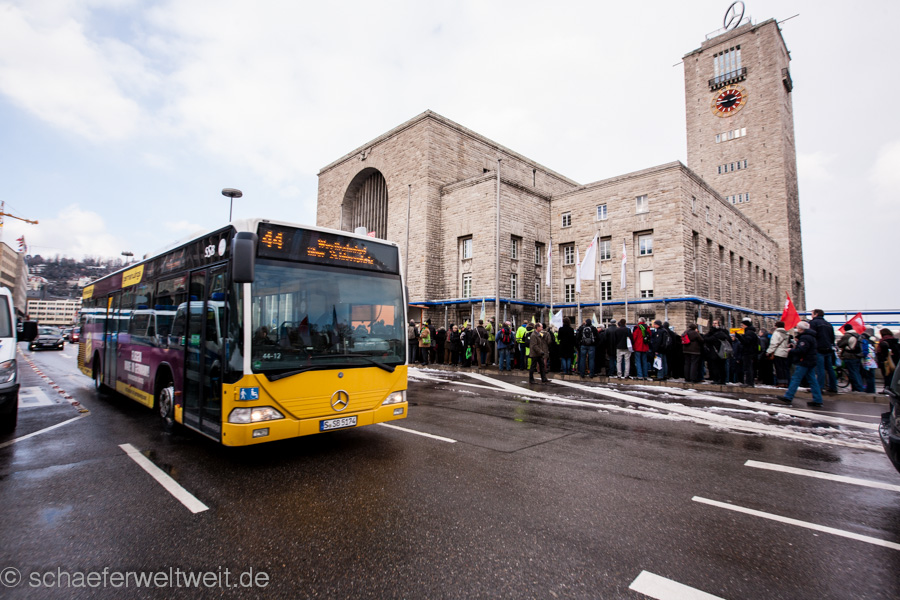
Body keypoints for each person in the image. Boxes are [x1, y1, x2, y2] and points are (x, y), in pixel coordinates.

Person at [777, 320, 824, 407]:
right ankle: (818, 400)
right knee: (813, 381)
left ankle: (788, 396)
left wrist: (791, 350)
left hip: (804, 361)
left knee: (796, 379)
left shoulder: (804, 337)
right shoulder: (811, 336)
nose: (797, 329)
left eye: (798, 327)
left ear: (801, 329)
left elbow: (801, 350)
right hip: (810, 360)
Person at [809, 309, 838, 394]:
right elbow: (832, 338)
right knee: (830, 369)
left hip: (818, 348)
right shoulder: (828, 324)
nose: (811, 315)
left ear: (816, 314)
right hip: (828, 348)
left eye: (812, 314)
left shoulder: (813, 323)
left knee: (820, 369)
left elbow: (812, 335)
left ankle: (819, 387)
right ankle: (833, 387)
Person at [837, 323, 865, 392]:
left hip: (849, 356)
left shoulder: (847, 336)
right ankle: (858, 387)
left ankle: (858, 388)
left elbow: (839, 344)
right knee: (857, 372)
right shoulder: (858, 335)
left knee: (853, 373)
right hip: (858, 356)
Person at [703, 319, 730, 385]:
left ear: (718, 324)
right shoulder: (721, 332)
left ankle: (718, 379)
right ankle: (721, 380)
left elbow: (707, 339)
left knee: (717, 367)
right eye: (713, 323)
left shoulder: (718, 333)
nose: (714, 324)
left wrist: (710, 333)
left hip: (717, 352)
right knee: (720, 367)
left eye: (715, 323)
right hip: (720, 352)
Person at [735, 318, 760, 387]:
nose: (741, 327)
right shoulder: (751, 332)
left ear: (745, 325)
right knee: (748, 368)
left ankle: (749, 383)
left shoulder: (749, 333)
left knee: (748, 368)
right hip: (750, 352)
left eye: (742, 325)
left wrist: (739, 336)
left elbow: (746, 342)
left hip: (748, 352)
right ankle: (749, 382)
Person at [766, 321, 791, 387]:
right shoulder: (786, 333)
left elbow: (774, 343)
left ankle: (780, 383)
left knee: (778, 368)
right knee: (784, 368)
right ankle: (786, 382)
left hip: (778, 352)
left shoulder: (776, 333)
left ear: (776, 326)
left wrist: (769, 351)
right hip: (785, 352)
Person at [861, 328, 878, 394]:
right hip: (872, 363)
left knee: (867, 377)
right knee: (871, 378)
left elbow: (864, 353)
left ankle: (868, 390)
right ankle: (872, 390)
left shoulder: (865, 344)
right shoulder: (872, 345)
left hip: (867, 363)